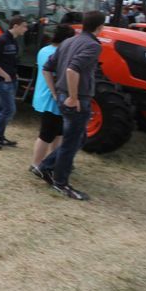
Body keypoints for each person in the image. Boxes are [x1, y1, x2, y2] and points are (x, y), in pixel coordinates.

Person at [37, 11, 106, 200]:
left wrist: (55, 92)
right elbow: (72, 69)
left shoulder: (67, 42)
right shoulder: (93, 45)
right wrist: (74, 97)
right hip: (76, 100)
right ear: (100, 27)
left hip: (62, 96)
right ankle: (60, 182)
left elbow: (47, 68)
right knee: (72, 142)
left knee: (78, 138)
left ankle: (46, 166)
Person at [29, 24, 75, 178]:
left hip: (45, 95)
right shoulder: (60, 53)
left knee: (58, 133)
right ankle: (36, 164)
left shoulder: (44, 50)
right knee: (47, 134)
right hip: (52, 98)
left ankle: (53, 161)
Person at [0, 15, 29, 149]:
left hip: (11, 80)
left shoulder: (14, 41)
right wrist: (5, 75)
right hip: (2, 81)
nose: (26, 29)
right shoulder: (1, 40)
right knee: (9, 109)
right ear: (15, 26)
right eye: (24, 26)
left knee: (3, 108)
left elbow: (10, 60)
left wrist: (13, 74)